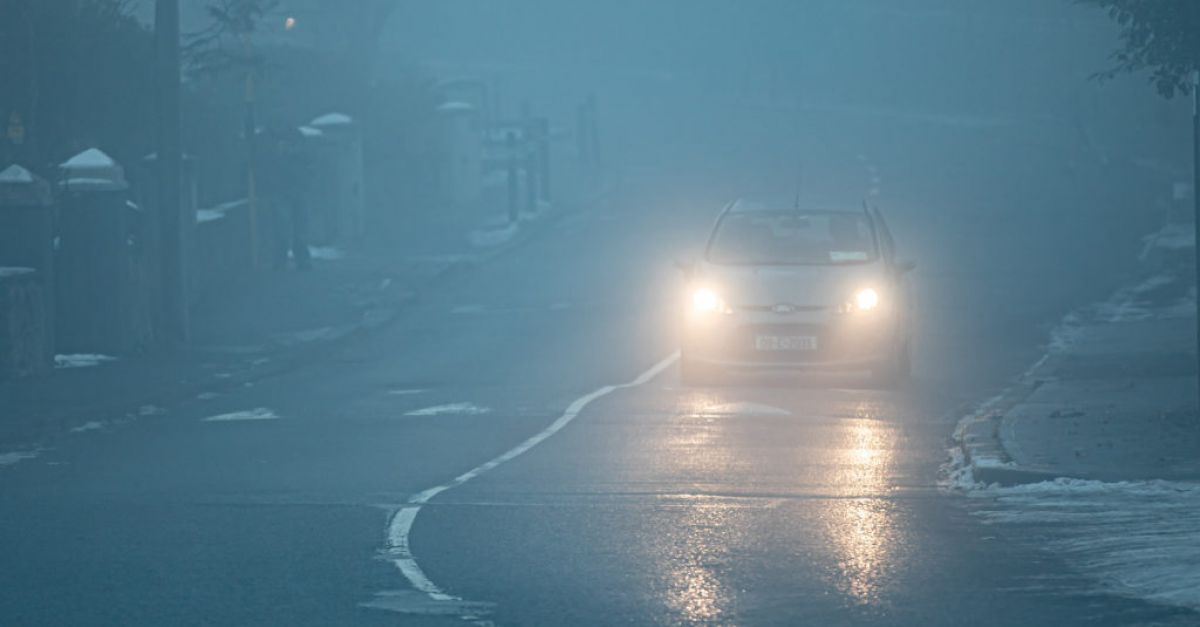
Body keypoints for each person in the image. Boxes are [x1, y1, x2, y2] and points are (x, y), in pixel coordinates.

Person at [259, 127, 312, 270]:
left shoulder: (295, 135)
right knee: (282, 227)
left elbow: (308, 159)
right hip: (280, 191)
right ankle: (281, 260)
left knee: (299, 226)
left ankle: (301, 259)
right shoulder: (269, 137)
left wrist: (291, 153)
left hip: (296, 190)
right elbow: (265, 164)